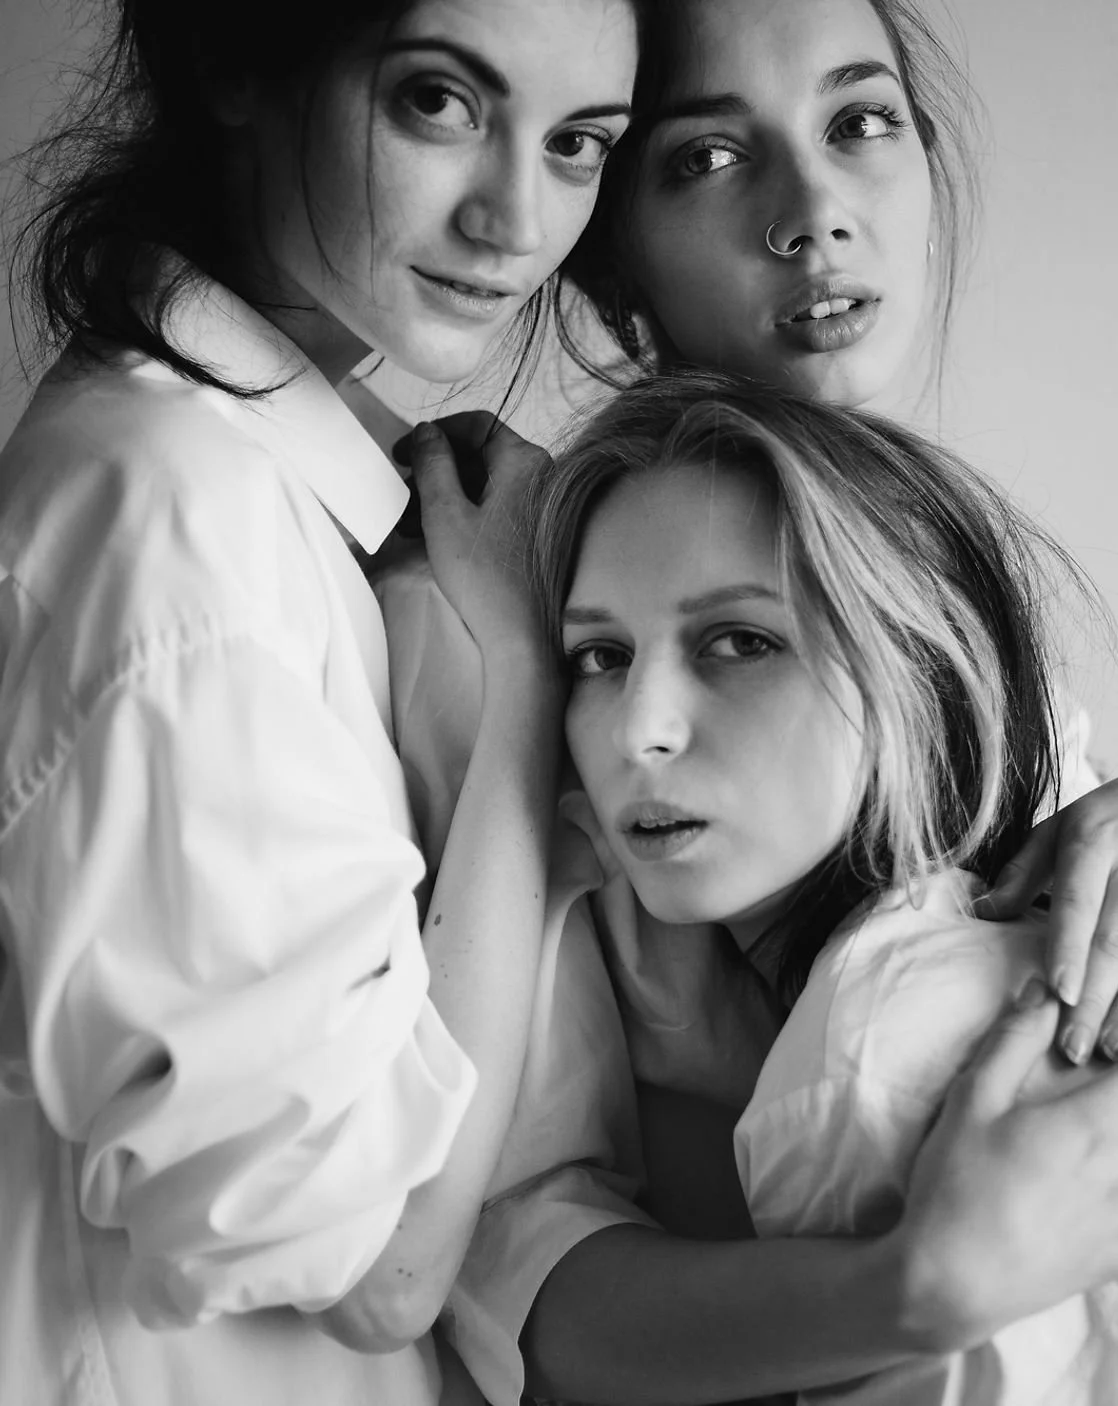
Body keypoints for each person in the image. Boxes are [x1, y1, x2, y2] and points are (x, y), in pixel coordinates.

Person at [0, 1, 639, 1403]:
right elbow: (377, 1263)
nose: (516, 222)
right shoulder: (178, 522)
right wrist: (525, 684)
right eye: (440, 103)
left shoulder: (275, 483)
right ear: (238, 57)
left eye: (580, 142)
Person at [531, 368, 1118, 1403]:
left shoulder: (862, 1050)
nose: (637, 728)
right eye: (598, 655)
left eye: (740, 641)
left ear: (918, 670)